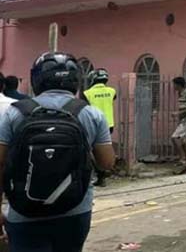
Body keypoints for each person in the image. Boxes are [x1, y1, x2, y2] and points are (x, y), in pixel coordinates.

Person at [0, 52, 114, 252]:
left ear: (37, 79)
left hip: (23, 212)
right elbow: (107, 163)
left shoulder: (13, 113)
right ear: (75, 80)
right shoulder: (92, 113)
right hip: (75, 210)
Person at [82, 68, 116, 187]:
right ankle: (105, 170)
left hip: (93, 123)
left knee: (89, 150)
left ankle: (100, 172)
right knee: (104, 147)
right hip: (109, 124)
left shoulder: (87, 93)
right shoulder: (112, 91)